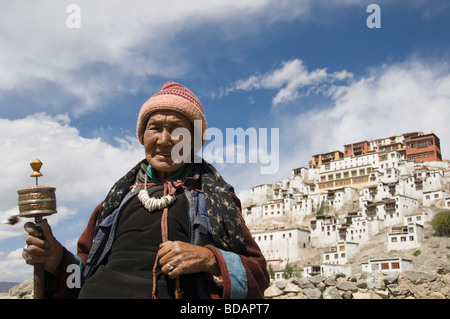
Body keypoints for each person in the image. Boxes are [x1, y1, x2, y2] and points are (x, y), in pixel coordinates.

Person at [22, 81, 270, 299]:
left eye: (177, 130)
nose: (164, 140)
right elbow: (83, 271)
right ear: (143, 136)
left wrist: (209, 260)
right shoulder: (115, 201)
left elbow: (258, 275)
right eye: (155, 128)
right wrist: (55, 260)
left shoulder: (215, 199)